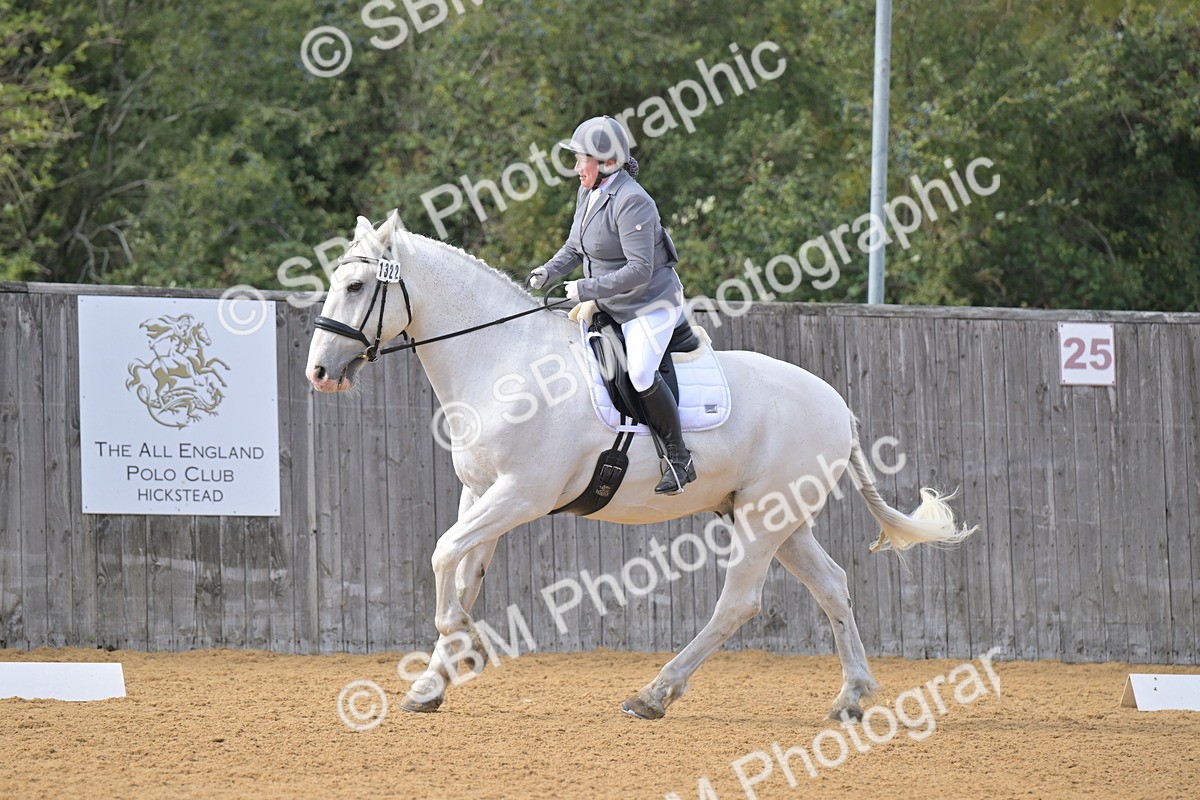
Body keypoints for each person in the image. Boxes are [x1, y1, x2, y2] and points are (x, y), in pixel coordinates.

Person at [528, 116, 696, 495]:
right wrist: (547, 271)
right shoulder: (588, 193)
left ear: (605, 162)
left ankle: (678, 457)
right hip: (611, 300)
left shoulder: (633, 200)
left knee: (638, 372)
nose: (575, 168)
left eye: (579, 159)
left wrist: (584, 288)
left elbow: (640, 269)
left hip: (650, 304)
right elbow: (575, 247)